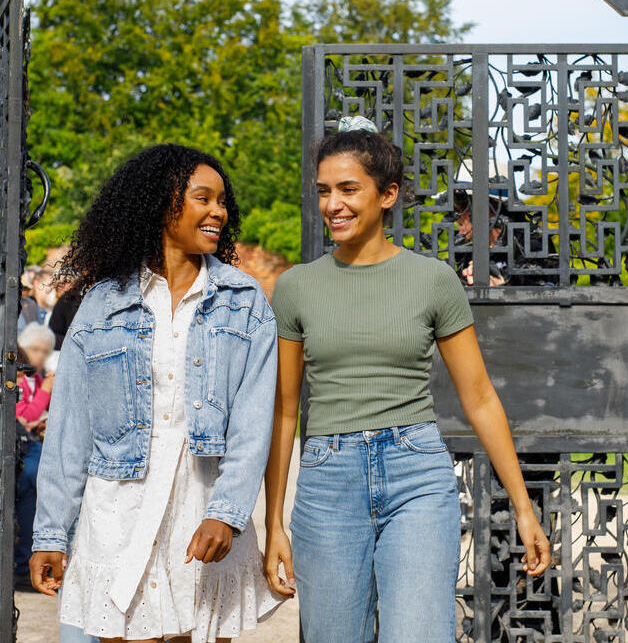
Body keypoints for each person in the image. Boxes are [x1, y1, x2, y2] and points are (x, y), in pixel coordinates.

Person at [263, 117, 551, 643]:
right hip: (328, 481)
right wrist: (272, 523)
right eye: (324, 191)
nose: (333, 205)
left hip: (415, 473)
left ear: (388, 194)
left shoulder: (433, 279)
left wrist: (524, 508)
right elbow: (285, 410)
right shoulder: (296, 288)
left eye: (349, 189)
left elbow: (480, 398)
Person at [30, 143, 283, 643]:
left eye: (222, 201)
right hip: (117, 514)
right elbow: (68, 433)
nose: (218, 211)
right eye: (202, 198)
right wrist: (51, 534)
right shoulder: (102, 303)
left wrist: (226, 513)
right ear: (160, 204)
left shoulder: (243, 300)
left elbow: (256, 421)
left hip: (201, 506)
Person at [14, 324, 55, 590]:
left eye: (44, 351)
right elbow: (25, 415)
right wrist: (47, 389)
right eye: (35, 350)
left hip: (34, 444)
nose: (39, 356)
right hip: (24, 450)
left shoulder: (36, 378)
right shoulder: (21, 376)